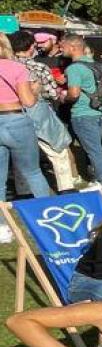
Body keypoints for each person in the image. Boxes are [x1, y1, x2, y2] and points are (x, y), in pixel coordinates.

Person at [0, 34, 52, 221]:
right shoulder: (17, 68)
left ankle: (2, 225)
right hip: (16, 119)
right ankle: (48, 215)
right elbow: (28, 101)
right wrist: (36, 89)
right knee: (33, 171)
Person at [59, 34, 102, 186]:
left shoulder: (74, 68)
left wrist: (63, 97)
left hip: (83, 113)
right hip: (99, 112)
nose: (61, 49)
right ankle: (98, 178)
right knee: (95, 147)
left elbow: (74, 94)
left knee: (94, 150)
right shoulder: (93, 64)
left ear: (73, 47)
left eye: (63, 46)